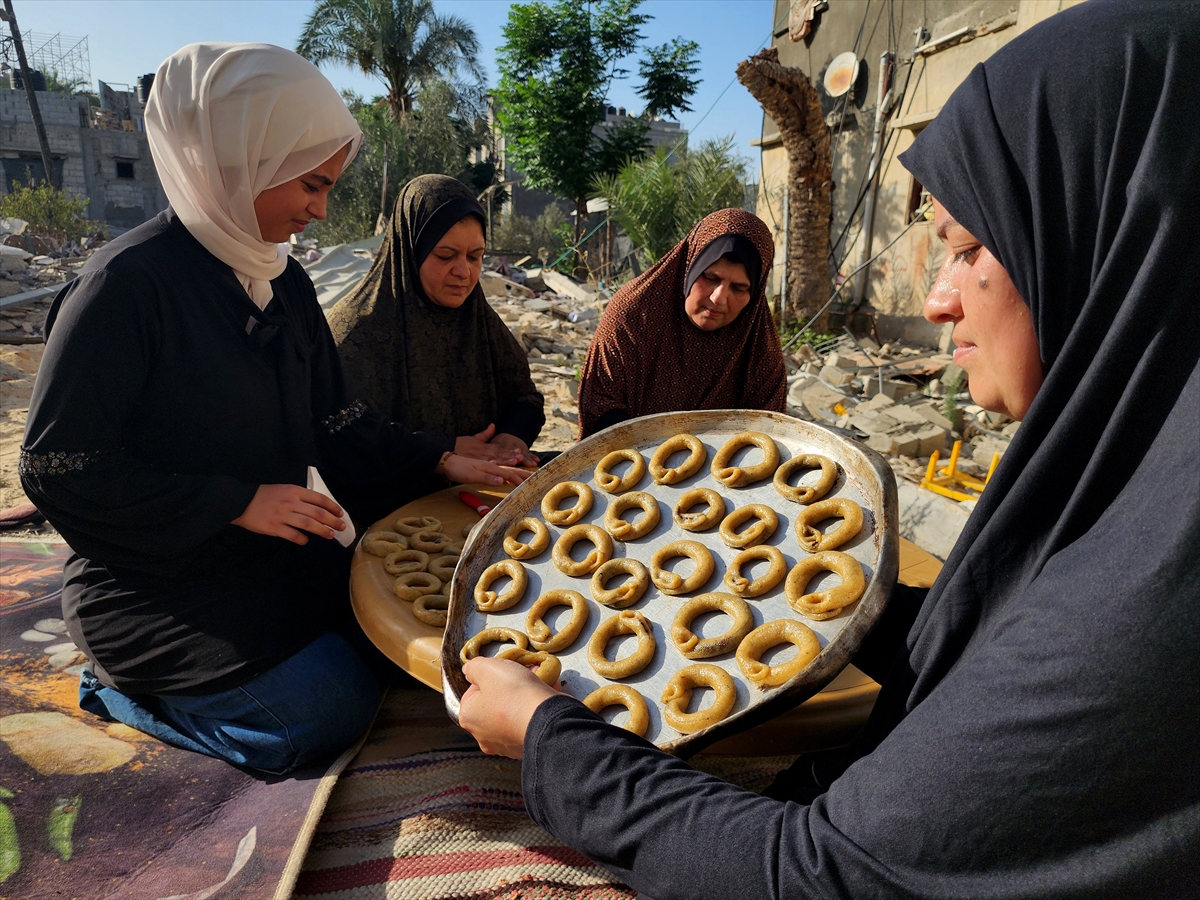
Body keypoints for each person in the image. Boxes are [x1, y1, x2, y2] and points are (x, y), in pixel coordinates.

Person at [456, 2, 1200, 896]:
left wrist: (547, 736)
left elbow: (823, 876)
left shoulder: (1145, 604)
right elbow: (998, 626)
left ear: (1102, 239)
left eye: (965, 249)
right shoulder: (1140, 481)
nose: (935, 300)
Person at [18, 43, 528, 776]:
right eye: (312, 185)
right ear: (240, 157)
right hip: (156, 582)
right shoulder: (125, 288)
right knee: (323, 712)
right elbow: (59, 470)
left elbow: (339, 423)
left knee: (401, 648)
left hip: (268, 560)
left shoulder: (281, 282)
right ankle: (120, 690)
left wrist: (443, 456)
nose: (321, 210)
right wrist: (235, 502)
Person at [328, 174, 546, 502]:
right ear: (410, 252)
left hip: (481, 494)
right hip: (393, 513)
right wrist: (442, 452)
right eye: (445, 256)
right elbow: (344, 435)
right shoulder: (355, 334)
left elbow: (524, 397)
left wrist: (509, 441)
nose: (464, 271)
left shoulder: (479, 322)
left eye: (475, 256)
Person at [576, 208, 786, 439]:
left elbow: (770, 429)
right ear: (691, 266)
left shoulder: (758, 343)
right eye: (710, 278)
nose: (719, 298)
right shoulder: (635, 313)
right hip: (628, 462)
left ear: (754, 294)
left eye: (739, 288)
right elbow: (599, 405)